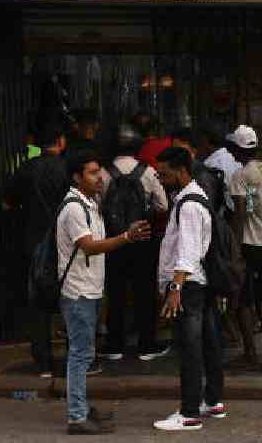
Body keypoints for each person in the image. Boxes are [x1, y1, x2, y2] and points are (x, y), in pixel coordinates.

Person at [58, 149, 152, 435]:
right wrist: (126, 237)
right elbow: (89, 246)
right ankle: (76, 416)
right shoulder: (74, 207)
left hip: (90, 288)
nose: (99, 177)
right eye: (91, 172)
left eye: (98, 171)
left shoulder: (91, 201)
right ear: (77, 177)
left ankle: (82, 408)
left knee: (85, 353)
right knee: (80, 355)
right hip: (78, 291)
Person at [153, 147, 226, 432]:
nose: (160, 177)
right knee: (207, 344)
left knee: (190, 348)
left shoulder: (190, 205)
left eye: (165, 172)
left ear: (182, 171)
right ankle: (213, 401)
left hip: (189, 286)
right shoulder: (189, 199)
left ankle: (190, 412)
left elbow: (187, 253)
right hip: (197, 284)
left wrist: (175, 288)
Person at [3, 121, 69, 379]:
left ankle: (42, 361)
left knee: (38, 300)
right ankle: (73, 359)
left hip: (35, 242)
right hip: (65, 241)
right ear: (61, 141)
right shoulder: (67, 169)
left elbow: (7, 202)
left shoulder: (26, 169)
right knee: (71, 296)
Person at [99, 124, 170, 362]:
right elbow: (163, 205)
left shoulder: (104, 172)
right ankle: (146, 345)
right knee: (144, 292)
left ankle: (114, 344)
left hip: (114, 241)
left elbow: (97, 206)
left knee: (116, 292)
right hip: (143, 240)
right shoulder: (147, 171)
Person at [227, 125, 262, 372]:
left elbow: (241, 212)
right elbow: (254, 204)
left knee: (242, 300)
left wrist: (236, 250)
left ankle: (250, 352)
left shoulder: (240, 175)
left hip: (252, 244)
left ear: (238, 150)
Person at [198, 126, 242, 216]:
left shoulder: (210, 165)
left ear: (205, 141)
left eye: (200, 140)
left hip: (224, 216)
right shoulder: (234, 158)